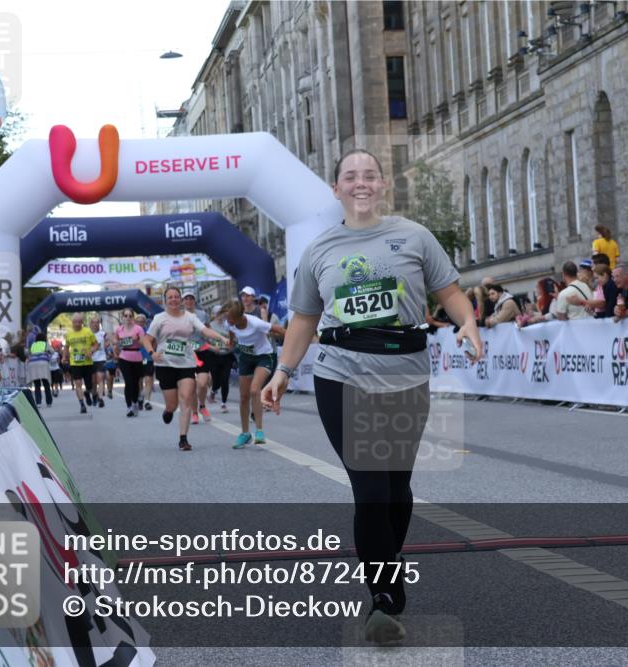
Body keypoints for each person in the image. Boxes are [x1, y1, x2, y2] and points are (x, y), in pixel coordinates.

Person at [260, 149, 483, 644]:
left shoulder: (414, 236)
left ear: (383, 186)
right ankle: (382, 598)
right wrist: (282, 371)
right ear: (336, 189)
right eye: (349, 177)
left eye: (369, 175)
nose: (360, 183)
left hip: (406, 373)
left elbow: (448, 291)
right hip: (341, 373)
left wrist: (466, 320)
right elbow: (303, 320)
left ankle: (387, 564)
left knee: (398, 490)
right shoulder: (319, 250)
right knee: (371, 488)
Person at [142, 286, 229, 451]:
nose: (174, 299)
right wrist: (152, 353)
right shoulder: (159, 318)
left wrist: (222, 339)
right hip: (165, 364)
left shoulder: (190, 317)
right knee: (172, 405)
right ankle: (168, 411)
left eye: (176, 297)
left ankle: (183, 438)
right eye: (170, 297)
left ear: (180, 300)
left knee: (186, 398)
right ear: (165, 301)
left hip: (186, 363)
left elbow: (205, 331)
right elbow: (146, 339)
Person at [221, 301, 286, 448]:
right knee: (244, 397)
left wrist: (290, 352)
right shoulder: (229, 323)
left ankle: (259, 431)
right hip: (245, 358)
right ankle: (245, 434)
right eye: (227, 318)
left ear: (240, 317)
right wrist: (231, 341)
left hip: (264, 356)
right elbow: (231, 331)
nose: (228, 321)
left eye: (231, 318)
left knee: (254, 390)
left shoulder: (255, 323)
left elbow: (281, 330)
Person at [183, 292, 212, 425]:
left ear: (194, 301)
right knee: (192, 385)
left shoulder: (201, 314)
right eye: (186, 299)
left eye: (191, 298)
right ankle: (194, 412)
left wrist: (211, 341)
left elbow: (208, 329)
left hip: (202, 350)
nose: (189, 301)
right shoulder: (179, 315)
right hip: (187, 353)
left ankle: (202, 405)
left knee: (202, 383)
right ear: (183, 301)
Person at [64, 314, 99, 414]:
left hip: (87, 362)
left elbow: (96, 344)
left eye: (79, 322)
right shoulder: (69, 334)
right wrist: (64, 357)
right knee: (78, 384)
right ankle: (82, 404)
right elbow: (66, 347)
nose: (77, 324)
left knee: (91, 383)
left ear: (82, 322)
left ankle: (88, 393)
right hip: (75, 363)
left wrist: (91, 351)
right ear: (72, 323)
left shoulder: (88, 331)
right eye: (75, 322)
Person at [115, 308, 145, 417]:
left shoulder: (139, 329)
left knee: (135, 382)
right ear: (122, 317)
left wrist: (137, 339)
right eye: (126, 316)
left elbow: (143, 343)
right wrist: (119, 345)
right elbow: (117, 344)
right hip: (124, 357)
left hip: (137, 356)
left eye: (130, 316)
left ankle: (135, 402)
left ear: (133, 317)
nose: (128, 318)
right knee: (128, 382)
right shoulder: (119, 330)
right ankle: (129, 406)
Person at [204, 303, 235, 413]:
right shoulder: (210, 326)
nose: (220, 315)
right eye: (218, 313)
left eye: (221, 313)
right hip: (214, 356)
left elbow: (234, 340)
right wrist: (213, 348)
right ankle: (213, 390)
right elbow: (205, 342)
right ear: (214, 314)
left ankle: (224, 403)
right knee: (216, 379)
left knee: (225, 379)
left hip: (226, 355)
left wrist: (231, 346)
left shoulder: (229, 325)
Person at [26, 331, 53, 407]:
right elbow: (52, 352)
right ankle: (49, 402)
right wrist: (48, 356)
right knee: (46, 383)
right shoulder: (45, 344)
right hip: (43, 363)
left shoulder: (33, 345)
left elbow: (29, 353)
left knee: (37, 384)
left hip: (33, 364)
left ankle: (38, 402)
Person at [135, 314, 155, 411]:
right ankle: (140, 397)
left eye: (142, 321)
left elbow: (154, 342)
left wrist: (153, 353)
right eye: (138, 321)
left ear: (144, 322)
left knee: (148, 379)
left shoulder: (149, 332)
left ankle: (147, 401)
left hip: (147, 358)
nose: (140, 323)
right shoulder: (132, 332)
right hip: (135, 358)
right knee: (139, 380)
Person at [89, 317, 107, 407]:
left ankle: (100, 398)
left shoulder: (103, 334)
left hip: (101, 359)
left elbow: (109, 341)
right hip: (90, 360)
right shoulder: (87, 334)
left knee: (100, 378)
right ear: (90, 324)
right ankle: (94, 395)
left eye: (97, 322)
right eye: (93, 322)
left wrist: (109, 343)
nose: (95, 324)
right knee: (93, 381)